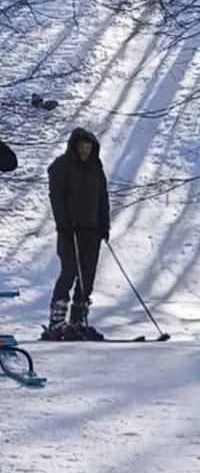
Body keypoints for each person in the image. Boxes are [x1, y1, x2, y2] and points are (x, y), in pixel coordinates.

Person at [44, 127, 110, 340]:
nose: (85, 151)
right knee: (70, 271)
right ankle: (57, 319)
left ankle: (79, 317)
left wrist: (104, 224)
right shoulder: (62, 166)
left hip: (92, 229)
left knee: (87, 276)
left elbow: (103, 199)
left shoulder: (96, 169)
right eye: (81, 147)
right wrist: (62, 222)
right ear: (74, 146)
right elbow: (56, 196)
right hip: (70, 229)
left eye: (88, 147)